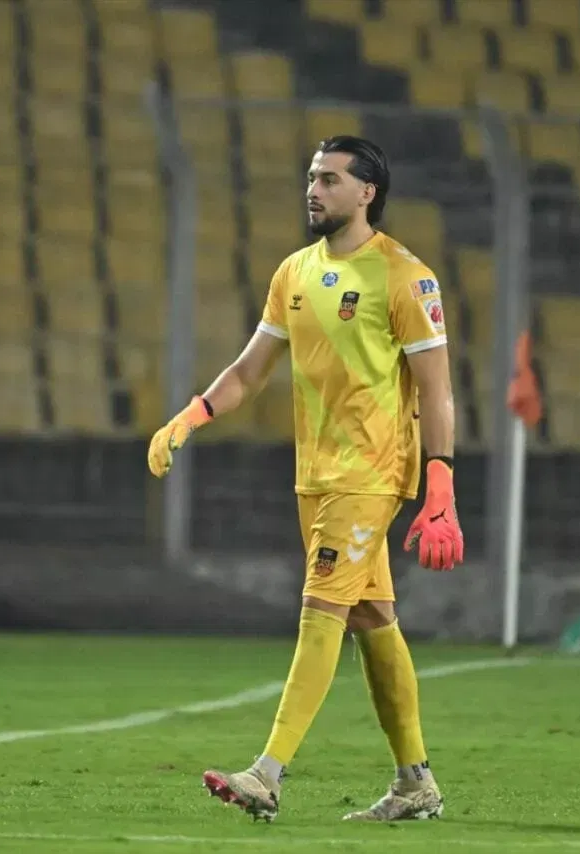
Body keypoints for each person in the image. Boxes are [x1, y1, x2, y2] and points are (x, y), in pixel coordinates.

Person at [147, 135, 464, 823]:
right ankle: (416, 783)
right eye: (311, 178)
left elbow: (436, 390)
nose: (313, 190)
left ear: (366, 193)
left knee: (320, 612)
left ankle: (267, 773)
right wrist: (190, 417)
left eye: (329, 179)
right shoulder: (293, 272)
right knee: (372, 618)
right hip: (316, 476)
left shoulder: (407, 277)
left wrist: (440, 482)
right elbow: (249, 371)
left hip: (371, 474)